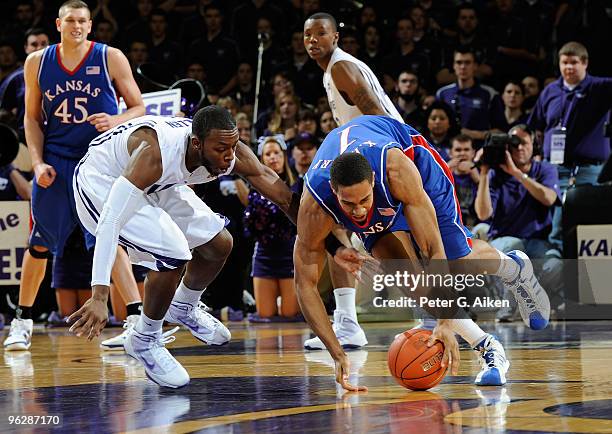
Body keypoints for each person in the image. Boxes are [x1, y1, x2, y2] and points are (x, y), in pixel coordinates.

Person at [69, 106, 360, 388]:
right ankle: (144, 338)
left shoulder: (229, 151)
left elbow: (285, 198)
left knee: (219, 243)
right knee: (173, 252)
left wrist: (334, 247)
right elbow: (110, 220)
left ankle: (182, 306)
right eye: (221, 149)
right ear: (197, 144)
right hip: (100, 183)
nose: (229, 156)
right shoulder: (155, 153)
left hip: (157, 184)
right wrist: (99, 294)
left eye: (233, 146)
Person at [296, 114, 551, 391]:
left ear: (372, 182)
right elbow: (304, 284)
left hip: (419, 164)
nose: (358, 211)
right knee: (404, 274)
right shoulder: (314, 204)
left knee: (455, 261)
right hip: (366, 173)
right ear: (333, 190)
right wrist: (337, 353)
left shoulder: (395, 170)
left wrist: (443, 320)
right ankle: (487, 346)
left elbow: (432, 249)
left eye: (364, 200)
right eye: (348, 204)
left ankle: (513, 267)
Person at [3, 0, 145, 352]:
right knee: (39, 242)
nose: (76, 26)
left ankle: (135, 322)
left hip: (99, 162)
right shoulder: (37, 62)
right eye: (70, 20)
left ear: (90, 25)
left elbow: (138, 106)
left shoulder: (110, 57)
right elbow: (32, 120)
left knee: (109, 239)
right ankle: (22, 322)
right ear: (58, 24)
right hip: (57, 161)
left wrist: (116, 121)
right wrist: (36, 163)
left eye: (82, 21)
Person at [303, 11, 404, 350]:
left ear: (336, 38)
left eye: (320, 34)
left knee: (403, 240)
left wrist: (388, 161)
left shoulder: (341, 68)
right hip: (377, 151)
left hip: (384, 151)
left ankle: (441, 315)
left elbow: (376, 112)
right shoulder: (338, 69)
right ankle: (346, 322)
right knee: (335, 225)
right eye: (307, 35)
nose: (313, 40)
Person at [527, 42, 612, 252]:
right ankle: (557, 271)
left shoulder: (600, 88)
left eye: (574, 62)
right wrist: (537, 156)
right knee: (556, 225)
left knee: (588, 221)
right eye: (565, 62)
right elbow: (535, 126)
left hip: (588, 170)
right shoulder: (550, 91)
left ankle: (586, 269)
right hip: (554, 168)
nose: (569, 67)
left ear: (585, 63)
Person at [474, 124, 562, 320]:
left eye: (524, 143)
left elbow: (548, 198)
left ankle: (526, 299)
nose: (520, 148)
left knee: (556, 265)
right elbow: (482, 213)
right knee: (514, 250)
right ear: (507, 147)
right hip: (504, 240)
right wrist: (484, 173)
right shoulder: (495, 175)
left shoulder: (545, 169)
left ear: (534, 145)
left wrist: (517, 174)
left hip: (537, 241)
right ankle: (510, 308)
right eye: (514, 143)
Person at [244, 136, 300, 321]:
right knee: (265, 316)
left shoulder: (296, 185)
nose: (273, 157)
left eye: (276, 153)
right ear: (262, 159)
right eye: (268, 154)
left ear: (284, 156)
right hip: (263, 255)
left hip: (290, 255)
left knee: (289, 315)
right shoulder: (254, 187)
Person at [436, 48, 506, 147]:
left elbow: (501, 131)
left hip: (479, 151)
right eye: (459, 62)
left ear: (475, 66)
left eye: (467, 63)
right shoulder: (442, 94)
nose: (463, 67)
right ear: (454, 66)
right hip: (448, 150)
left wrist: (474, 134)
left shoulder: (489, 94)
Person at [0, 28, 50, 142]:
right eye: (34, 44)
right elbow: (3, 111)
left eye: (43, 44)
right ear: (26, 48)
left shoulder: (63, 75)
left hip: (56, 137)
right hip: (25, 139)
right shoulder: (15, 79)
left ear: (50, 47)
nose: (39, 48)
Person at [447, 134, 479, 228]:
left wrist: (478, 180)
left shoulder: (484, 173)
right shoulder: (442, 174)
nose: (462, 153)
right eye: (458, 150)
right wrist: (445, 172)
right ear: (450, 153)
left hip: (477, 224)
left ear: (473, 153)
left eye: (466, 150)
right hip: (451, 223)